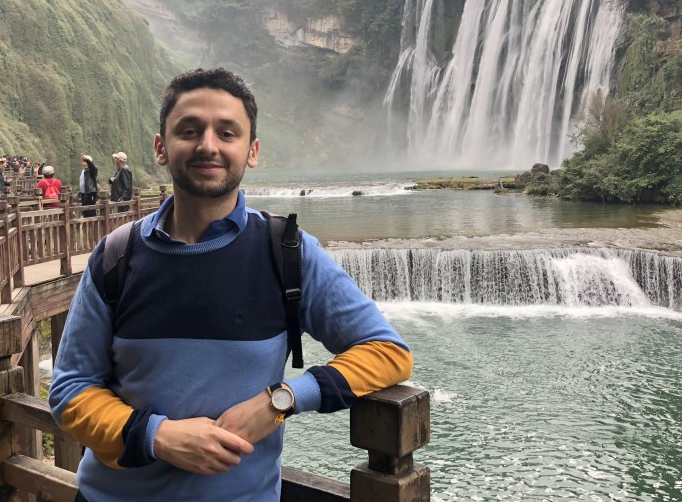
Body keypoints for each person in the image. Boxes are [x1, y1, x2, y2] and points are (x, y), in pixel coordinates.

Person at [49, 68, 412, 502]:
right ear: (161, 148)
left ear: (251, 151)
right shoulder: (115, 256)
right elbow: (71, 388)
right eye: (190, 130)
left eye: (227, 132)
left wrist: (284, 398)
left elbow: (388, 352)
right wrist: (156, 435)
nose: (208, 145)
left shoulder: (288, 252)